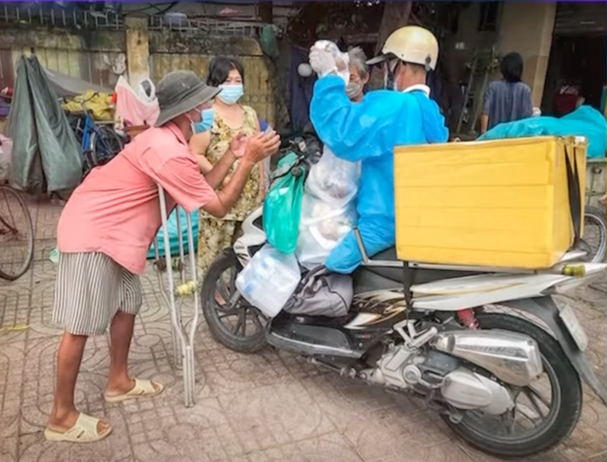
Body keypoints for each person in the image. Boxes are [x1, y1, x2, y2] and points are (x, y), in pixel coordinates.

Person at [45, 70, 280, 443]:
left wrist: (233, 157)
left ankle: (118, 380)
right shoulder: (166, 150)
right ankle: (60, 416)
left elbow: (201, 187)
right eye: (203, 103)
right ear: (188, 111)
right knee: (80, 324)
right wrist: (249, 161)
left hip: (116, 236)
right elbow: (217, 206)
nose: (208, 108)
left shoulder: (170, 144)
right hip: (94, 233)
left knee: (127, 304)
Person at [308, 26, 449, 274]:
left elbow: (342, 133)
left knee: (323, 268)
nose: (384, 71)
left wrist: (329, 78)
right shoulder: (431, 112)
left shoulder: (394, 106)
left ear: (399, 65)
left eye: (387, 65)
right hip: (414, 221)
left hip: (382, 224)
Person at [190, 57, 265, 277]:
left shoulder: (250, 114)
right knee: (216, 255)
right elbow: (195, 154)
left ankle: (240, 297)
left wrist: (261, 186)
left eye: (237, 80)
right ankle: (215, 299)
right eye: (227, 81)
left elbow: (257, 152)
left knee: (246, 252)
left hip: (248, 201)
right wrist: (222, 180)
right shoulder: (206, 116)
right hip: (219, 198)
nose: (233, 86)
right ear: (215, 84)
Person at [480, 52, 533, 133]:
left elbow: (485, 112)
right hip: (513, 139)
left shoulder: (493, 87)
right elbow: (526, 119)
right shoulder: (525, 90)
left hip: (493, 136)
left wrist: (483, 134)